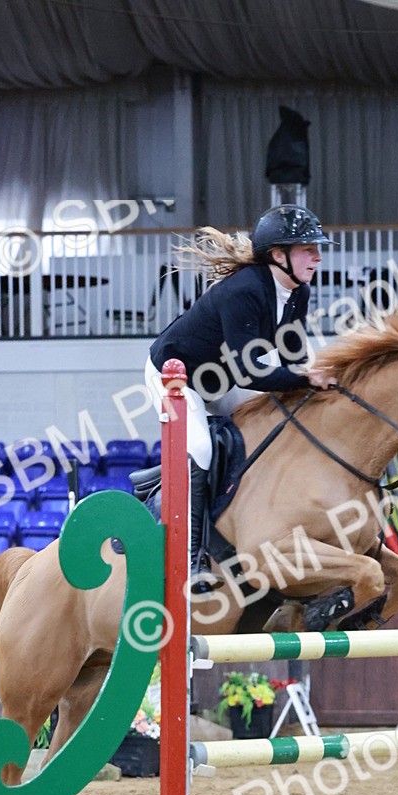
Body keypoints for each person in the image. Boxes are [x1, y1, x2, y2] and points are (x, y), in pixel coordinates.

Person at [146, 204, 337, 591]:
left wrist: (317, 383)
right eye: (307, 249)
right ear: (278, 255)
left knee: (282, 422)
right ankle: (191, 555)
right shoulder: (245, 291)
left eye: (317, 248)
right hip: (175, 379)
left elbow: (294, 357)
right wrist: (304, 378)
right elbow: (253, 371)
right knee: (199, 448)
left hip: (223, 380)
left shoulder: (298, 292)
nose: (317, 256)